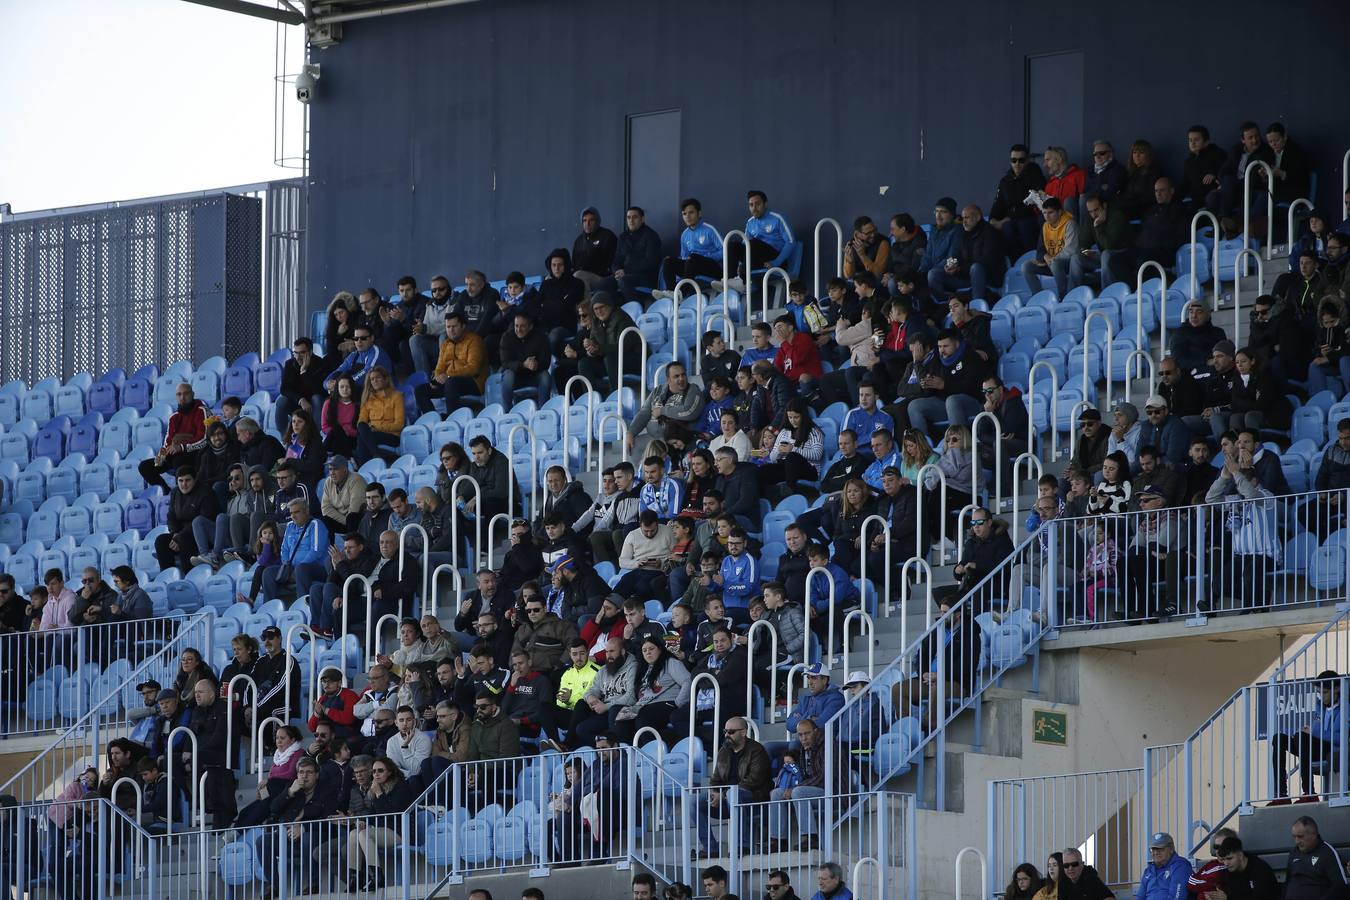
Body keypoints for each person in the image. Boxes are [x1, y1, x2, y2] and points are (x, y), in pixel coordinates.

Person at [689, 716, 771, 858]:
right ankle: (711, 848)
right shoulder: (724, 751)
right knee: (693, 801)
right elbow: (715, 779)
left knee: (735, 794)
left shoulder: (757, 751)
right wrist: (715, 792)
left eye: (731, 732)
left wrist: (725, 794)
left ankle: (742, 846)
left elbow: (753, 781)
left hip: (754, 799)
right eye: (725, 731)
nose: (727, 735)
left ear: (743, 732)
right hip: (727, 799)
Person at [1270, 671, 1341, 802]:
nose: (1322, 696)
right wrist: (1309, 731)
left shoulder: (1345, 708)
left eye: (1325, 692)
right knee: (1278, 738)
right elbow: (1317, 728)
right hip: (1316, 747)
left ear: (1337, 688)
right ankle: (1281, 794)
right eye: (1319, 693)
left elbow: (1341, 739)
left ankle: (1310, 793)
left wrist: (1313, 731)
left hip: (1332, 750)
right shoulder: (1321, 706)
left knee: (1301, 737)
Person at [714, 190, 794, 293]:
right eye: (751, 205)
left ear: (765, 204)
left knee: (752, 243)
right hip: (757, 258)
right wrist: (740, 265)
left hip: (774, 259)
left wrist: (776, 262)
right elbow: (744, 246)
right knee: (733, 245)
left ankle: (742, 281)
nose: (754, 208)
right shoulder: (750, 222)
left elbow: (791, 242)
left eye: (757, 204)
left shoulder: (777, 218)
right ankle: (730, 280)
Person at [414, 310, 489, 414]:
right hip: (450, 382)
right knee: (420, 390)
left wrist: (448, 375)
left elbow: (473, 369)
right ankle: (434, 419)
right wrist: (437, 379)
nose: (451, 330)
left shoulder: (474, 341)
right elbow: (439, 368)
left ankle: (452, 417)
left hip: (473, 382)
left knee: (451, 382)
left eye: (454, 326)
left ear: (463, 326)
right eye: (448, 327)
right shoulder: (445, 344)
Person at [138, 382, 210, 487]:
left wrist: (181, 447)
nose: (182, 397)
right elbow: (167, 442)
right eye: (179, 394)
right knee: (145, 467)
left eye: (186, 394)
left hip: (195, 454)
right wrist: (161, 457)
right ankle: (167, 492)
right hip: (174, 454)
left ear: (193, 394)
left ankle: (181, 493)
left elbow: (204, 439)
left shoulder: (202, 411)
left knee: (178, 460)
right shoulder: (173, 417)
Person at [930, 204, 1005, 301]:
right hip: (966, 277)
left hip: (987, 278)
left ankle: (977, 305)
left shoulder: (990, 233)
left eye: (967, 218)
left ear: (977, 217)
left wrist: (959, 269)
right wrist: (952, 264)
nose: (964, 221)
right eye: (962, 218)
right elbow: (957, 255)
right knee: (934, 273)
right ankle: (947, 305)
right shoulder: (964, 234)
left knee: (976, 267)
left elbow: (986, 261)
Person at [627, 361, 704, 452]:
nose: (681, 378)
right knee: (634, 446)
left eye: (683, 375)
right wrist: (631, 432)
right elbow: (644, 412)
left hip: (678, 441)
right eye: (676, 376)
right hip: (655, 438)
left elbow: (689, 412)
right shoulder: (658, 390)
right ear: (668, 379)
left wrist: (662, 411)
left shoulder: (693, 390)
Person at [654, 199, 723, 298]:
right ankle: (671, 291)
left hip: (712, 267)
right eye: (684, 214)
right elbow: (684, 257)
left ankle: (681, 292)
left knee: (693, 257)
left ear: (699, 213)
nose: (687, 216)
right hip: (693, 265)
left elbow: (725, 251)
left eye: (691, 212)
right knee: (668, 261)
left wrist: (706, 256)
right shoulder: (685, 235)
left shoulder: (709, 229)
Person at [990, 144, 1047, 256]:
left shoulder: (1035, 175)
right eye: (1014, 160)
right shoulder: (1005, 180)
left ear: (1027, 160)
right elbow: (998, 203)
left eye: (1021, 160)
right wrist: (993, 219)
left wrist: (1008, 218)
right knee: (995, 226)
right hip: (1010, 220)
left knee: (1021, 226)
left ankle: (1029, 260)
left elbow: (1034, 202)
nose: (1017, 164)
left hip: (1029, 217)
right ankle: (1012, 265)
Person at [1019, 197, 1077, 299]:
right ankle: (1038, 297)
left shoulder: (1069, 223)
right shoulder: (1045, 226)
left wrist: (1053, 259)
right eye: (1044, 213)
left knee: (1055, 263)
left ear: (1059, 212)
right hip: (1052, 262)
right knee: (1026, 266)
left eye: (1050, 212)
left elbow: (1071, 251)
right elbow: (1040, 251)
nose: (1047, 216)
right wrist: (1045, 256)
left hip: (1069, 263)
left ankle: (1063, 296)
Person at [1074, 192, 1130, 290]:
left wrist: (1098, 227)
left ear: (1104, 206)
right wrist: (1085, 252)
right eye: (1090, 211)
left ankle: (1107, 293)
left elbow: (1110, 246)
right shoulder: (1091, 219)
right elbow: (1083, 244)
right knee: (1076, 258)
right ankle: (1072, 297)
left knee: (1105, 254)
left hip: (1122, 254)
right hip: (1104, 255)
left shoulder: (1116, 216)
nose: (1093, 214)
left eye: (1096, 210)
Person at [1284, 815, 1347, 899]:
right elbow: (1288, 882)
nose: (1297, 841)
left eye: (1300, 837)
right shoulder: (1294, 852)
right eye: (1294, 837)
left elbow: (1340, 885)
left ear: (1313, 835)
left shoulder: (1327, 852)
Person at [354, 366, 405, 465]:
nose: (374, 381)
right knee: (361, 427)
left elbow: (399, 425)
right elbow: (361, 422)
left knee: (362, 438)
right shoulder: (368, 400)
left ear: (385, 379)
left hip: (392, 436)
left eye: (378, 378)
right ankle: (376, 455)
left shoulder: (396, 396)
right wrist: (370, 429)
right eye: (372, 379)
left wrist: (377, 427)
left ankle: (363, 466)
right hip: (372, 435)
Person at [1213, 835, 1279, 900]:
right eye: (1224, 859)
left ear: (1240, 855)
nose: (1226, 863)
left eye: (1229, 859)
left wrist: (1228, 898)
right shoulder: (1230, 870)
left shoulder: (1260, 869)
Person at [571, 207, 618, 294]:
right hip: (579, 275)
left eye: (591, 220)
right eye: (584, 220)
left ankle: (587, 306)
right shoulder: (579, 240)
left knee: (579, 275)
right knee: (551, 278)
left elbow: (613, 262)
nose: (587, 224)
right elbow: (574, 263)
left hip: (603, 278)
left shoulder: (607, 236)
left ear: (597, 221)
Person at [1137, 831, 1193, 900]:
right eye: (1153, 849)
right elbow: (1140, 897)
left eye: (1160, 849)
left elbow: (1177, 897)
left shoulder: (1180, 866)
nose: (1156, 852)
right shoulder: (1149, 870)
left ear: (1171, 849)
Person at [842, 215, 889, 280]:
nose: (873, 235)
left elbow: (878, 273)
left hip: (875, 280)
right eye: (868, 233)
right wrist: (850, 262)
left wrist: (862, 255)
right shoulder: (851, 245)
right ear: (857, 233)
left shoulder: (883, 243)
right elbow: (848, 276)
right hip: (858, 280)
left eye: (874, 230)